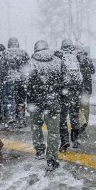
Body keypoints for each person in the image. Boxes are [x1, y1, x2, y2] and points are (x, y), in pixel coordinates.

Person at [27, 40, 64, 171]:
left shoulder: (31, 62)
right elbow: (64, 81)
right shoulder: (57, 61)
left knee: (36, 126)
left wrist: (28, 99)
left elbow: (27, 83)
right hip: (53, 101)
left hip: (35, 102)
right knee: (54, 132)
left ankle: (39, 150)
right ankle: (52, 159)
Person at [55, 39, 83, 152]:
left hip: (64, 91)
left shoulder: (59, 56)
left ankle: (64, 140)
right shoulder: (76, 57)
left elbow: (57, 74)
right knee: (74, 116)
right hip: (75, 91)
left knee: (62, 118)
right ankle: (75, 139)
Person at [0, 37, 30, 128]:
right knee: (21, 101)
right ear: (18, 44)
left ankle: (11, 118)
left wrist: (0, 78)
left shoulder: (5, 53)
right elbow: (28, 67)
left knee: (9, 100)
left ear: (9, 44)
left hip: (9, 80)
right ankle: (21, 120)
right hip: (21, 81)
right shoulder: (24, 53)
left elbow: (1, 67)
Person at [77, 48, 95, 135]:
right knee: (86, 108)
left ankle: (81, 123)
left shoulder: (75, 59)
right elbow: (93, 71)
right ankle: (85, 125)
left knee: (78, 108)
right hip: (87, 87)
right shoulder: (88, 59)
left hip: (77, 87)